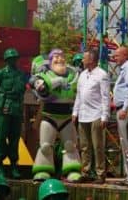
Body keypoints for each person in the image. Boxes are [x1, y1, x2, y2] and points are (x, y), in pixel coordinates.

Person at [29, 49, 81, 182]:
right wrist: (56, 82)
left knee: (70, 145)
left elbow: (76, 90)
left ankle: (72, 170)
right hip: (49, 115)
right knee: (46, 145)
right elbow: (42, 91)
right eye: (56, 57)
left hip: (66, 116)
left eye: (62, 57)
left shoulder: (73, 74)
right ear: (50, 61)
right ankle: (43, 170)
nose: (60, 59)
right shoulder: (45, 75)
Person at [0, 48, 26, 178]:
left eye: (15, 58)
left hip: (17, 109)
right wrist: (0, 102)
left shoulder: (21, 74)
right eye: (11, 59)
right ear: (7, 60)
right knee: (1, 137)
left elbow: (22, 91)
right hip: (4, 108)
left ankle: (14, 164)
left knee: (15, 138)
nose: (14, 61)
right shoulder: (1, 74)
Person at [72, 49, 110, 184]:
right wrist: (75, 112)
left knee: (97, 145)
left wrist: (105, 116)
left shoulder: (102, 75)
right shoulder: (82, 75)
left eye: (84, 58)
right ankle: (85, 172)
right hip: (83, 114)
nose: (82, 60)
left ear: (92, 59)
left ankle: (100, 174)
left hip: (96, 114)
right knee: (84, 145)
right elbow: (79, 95)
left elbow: (105, 97)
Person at [111, 46, 128, 182]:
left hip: (123, 110)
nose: (114, 58)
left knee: (127, 142)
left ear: (125, 55)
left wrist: (125, 108)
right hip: (120, 108)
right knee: (124, 142)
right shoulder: (124, 69)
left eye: (117, 56)